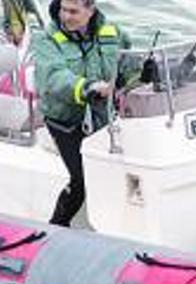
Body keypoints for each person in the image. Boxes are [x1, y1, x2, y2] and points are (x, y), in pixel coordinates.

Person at [33, 0, 130, 226]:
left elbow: (127, 67)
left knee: (116, 172)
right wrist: (86, 88)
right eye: (63, 9)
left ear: (91, 10)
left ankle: (112, 225)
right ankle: (56, 226)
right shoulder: (47, 39)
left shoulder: (113, 33)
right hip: (65, 120)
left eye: (73, 11)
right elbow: (54, 78)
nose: (66, 16)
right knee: (81, 179)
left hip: (103, 117)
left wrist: (143, 73)